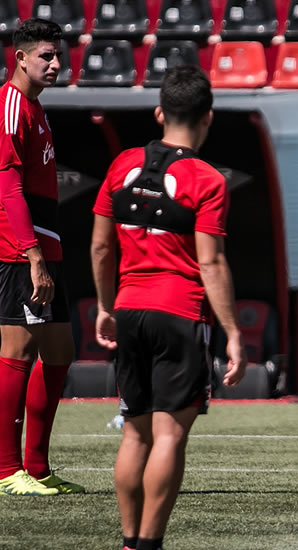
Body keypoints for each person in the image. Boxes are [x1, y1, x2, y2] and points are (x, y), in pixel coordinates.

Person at [90, 65, 245, 550]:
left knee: (134, 435)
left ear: (159, 113)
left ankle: (129, 541)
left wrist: (104, 306)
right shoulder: (207, 179)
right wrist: (234, 332)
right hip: (179, 311)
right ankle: (151, 545)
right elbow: (212, 262)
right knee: (169, 436)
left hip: (129, 309)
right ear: (208, 118)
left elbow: (99, 247)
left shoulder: (121, 165)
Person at [0, 18, 84, 497]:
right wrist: (30, 253)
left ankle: (35, 466)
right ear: (21, 58)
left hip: (44, 245)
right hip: (18, 249)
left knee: (59, 352)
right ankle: (7, 469)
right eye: (46, 56)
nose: (56, 63)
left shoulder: (36, 108)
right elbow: (7, 186)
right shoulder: (11, 107)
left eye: (58, 55)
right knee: (17, 351)